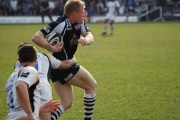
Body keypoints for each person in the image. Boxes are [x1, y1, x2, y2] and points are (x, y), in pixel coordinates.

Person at [32, 0, 97, 120]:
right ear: (74, 13)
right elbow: (36, 37)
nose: (84, 15)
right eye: (82, 12)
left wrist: (86, 39)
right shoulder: (60, 24)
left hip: (56, 68)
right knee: (91, 85)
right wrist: (51, 47)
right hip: (64, 66)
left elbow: (90, 35)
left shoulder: (80, 22)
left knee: (66, 102)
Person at [14, 42, 77, 120]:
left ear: (19, 58)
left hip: (27, 88)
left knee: (27, 114)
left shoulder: (17, 64)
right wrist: (73, 59)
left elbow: (19, 82)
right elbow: (65, 65)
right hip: (43, 87)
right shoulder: (46, 56)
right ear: (35, 55)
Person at [5, 43, 60, 120]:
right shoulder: (30, 70)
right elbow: (20, 86)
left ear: (19, 60)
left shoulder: (11, 78)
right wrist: (30, 114)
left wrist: (38, 109)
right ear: (36, 59)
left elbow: (17, 107)